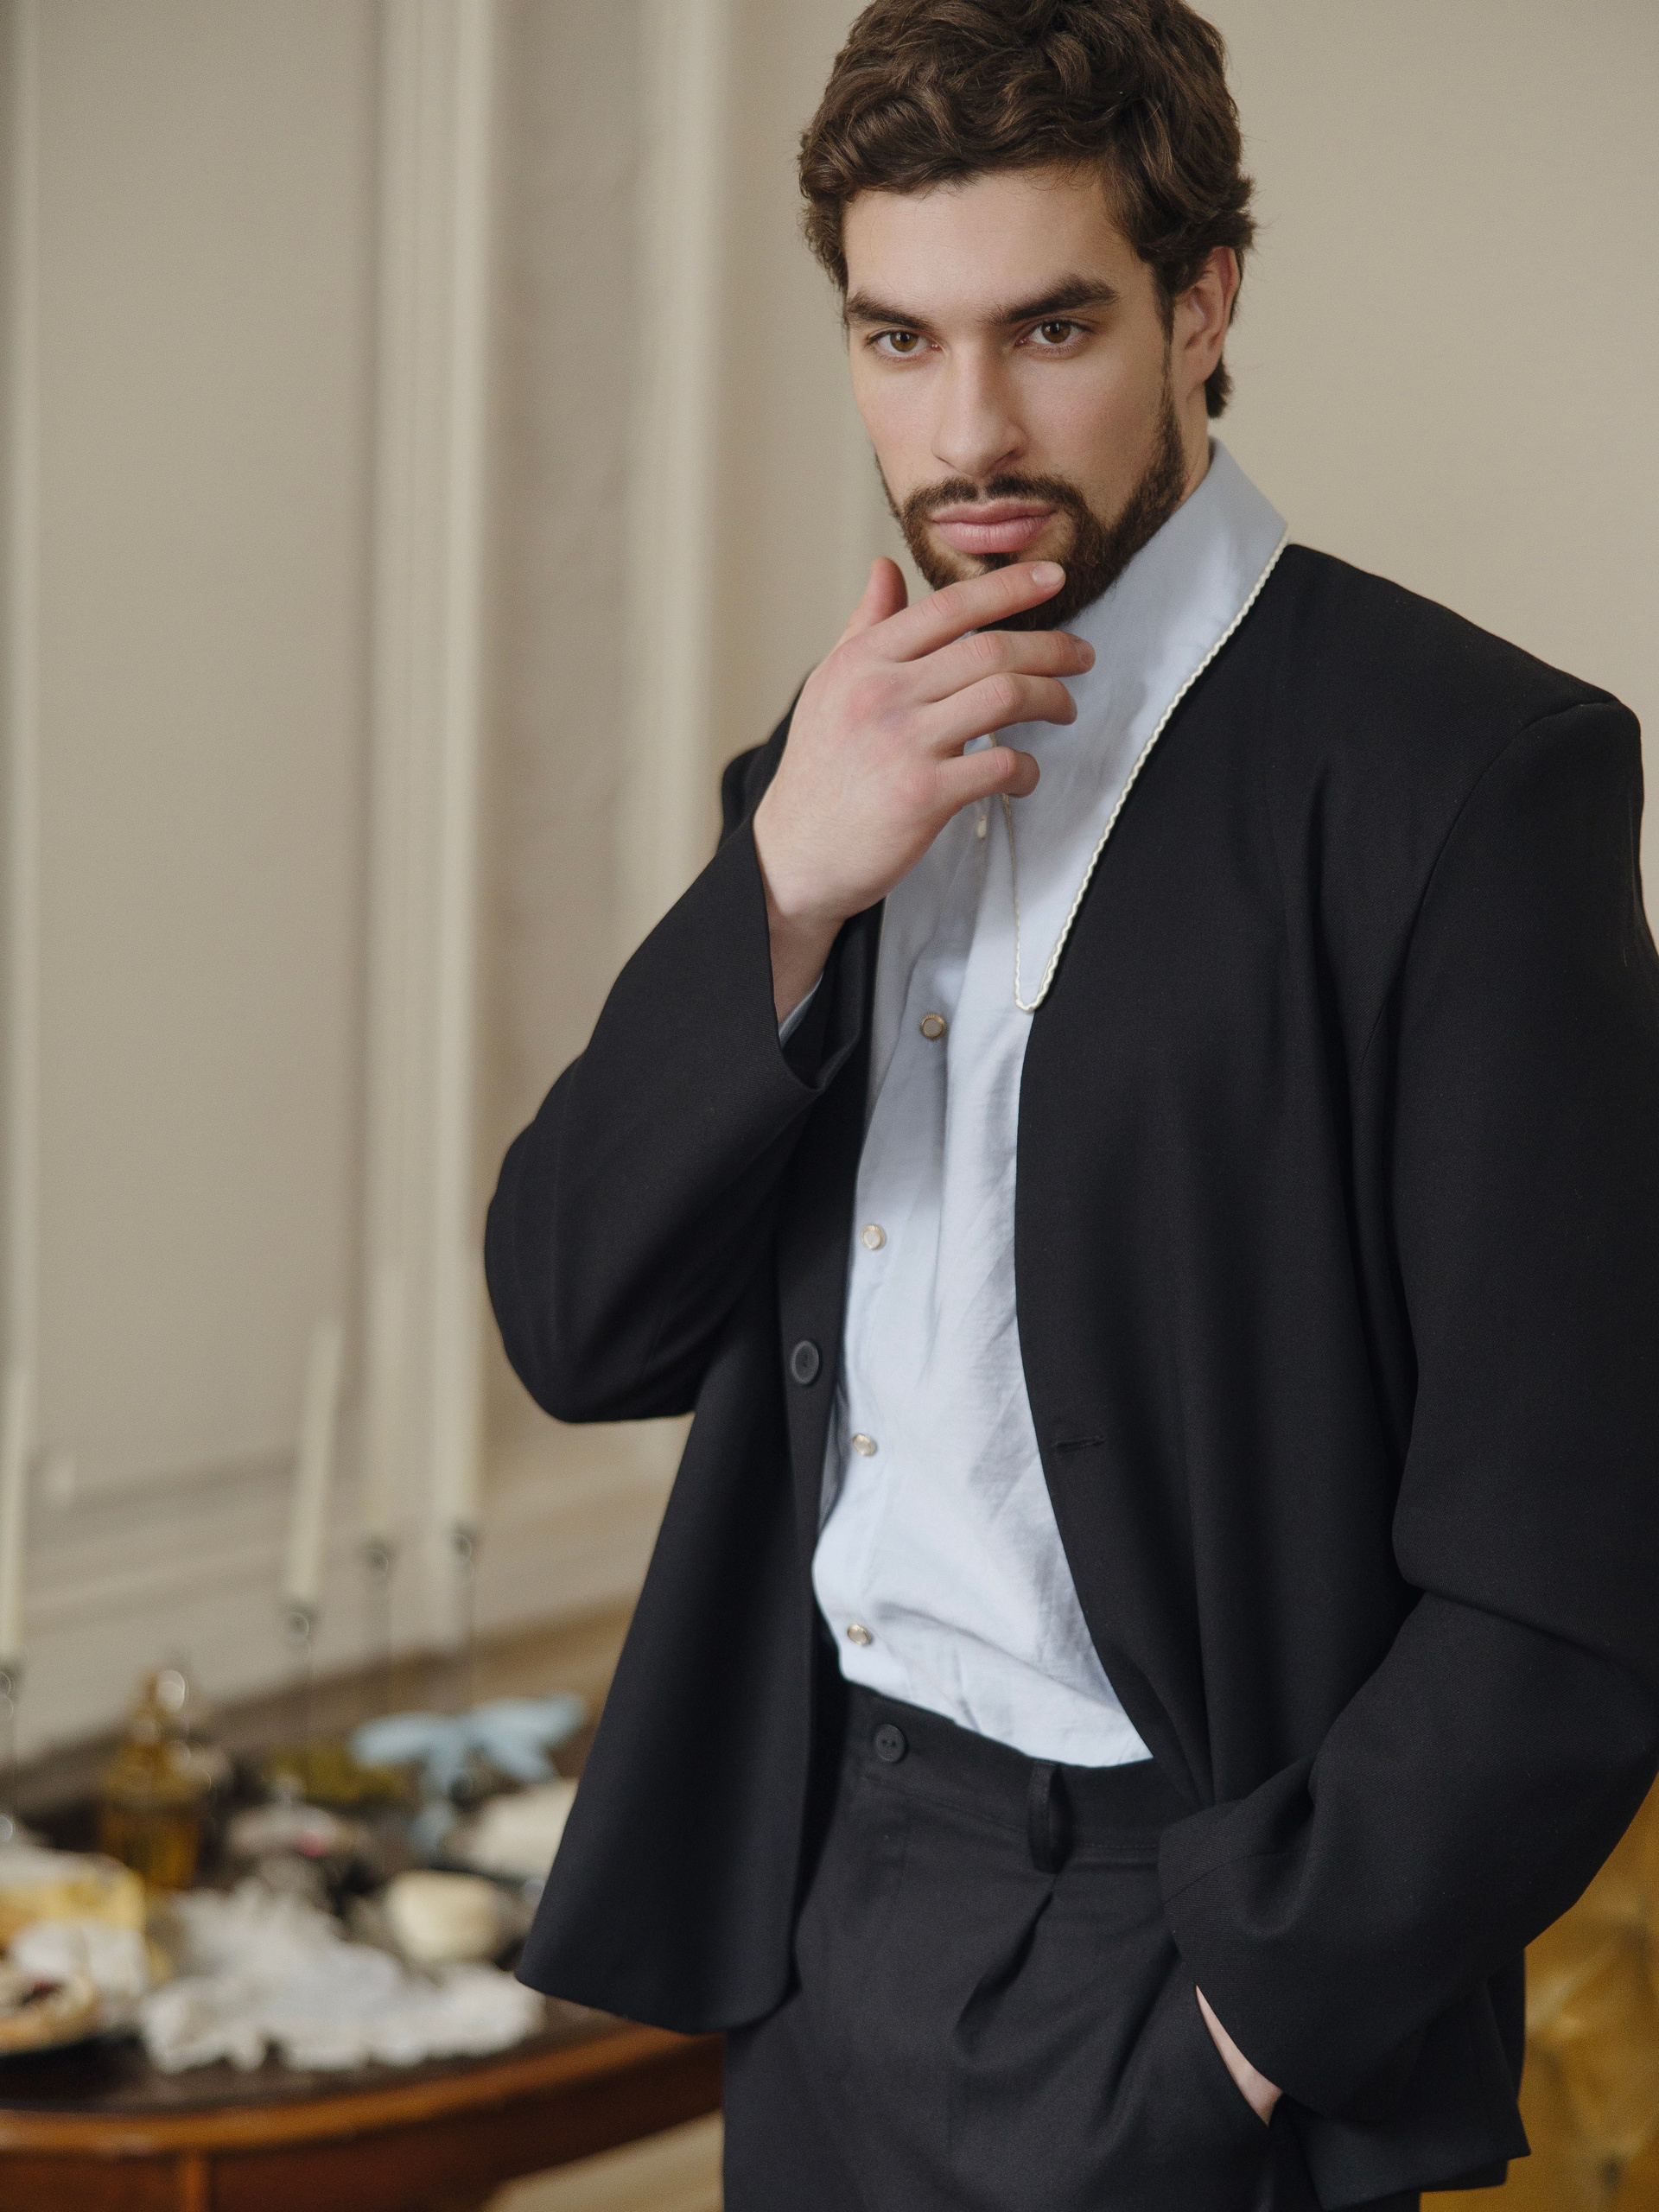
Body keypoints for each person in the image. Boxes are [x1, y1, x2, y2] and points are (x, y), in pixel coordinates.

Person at [486, 2, 1659, 2204]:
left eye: (1049, 328)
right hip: (828, 1924)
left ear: (1203, 304)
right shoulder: (834, 772)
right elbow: (573, 1320)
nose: (969, 433)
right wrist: (783, 884)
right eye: (898, 341)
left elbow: (1572, 1575)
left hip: (1188, 1953)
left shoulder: (1472, 784)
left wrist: (1242, 2029)